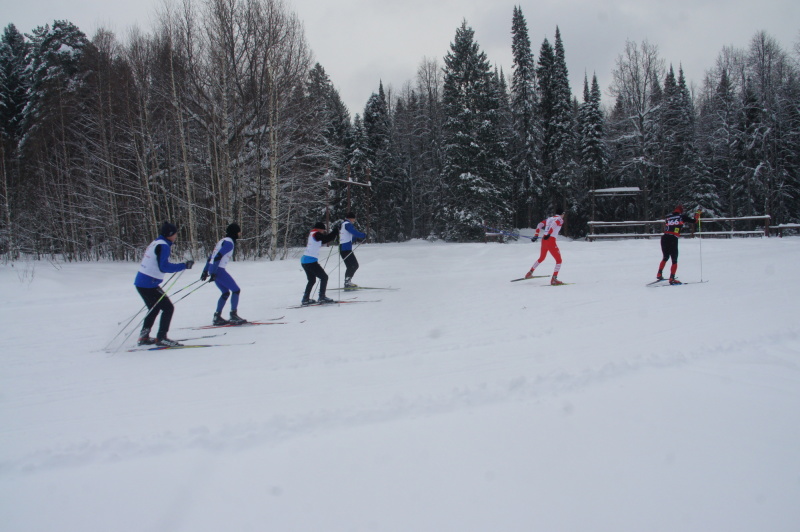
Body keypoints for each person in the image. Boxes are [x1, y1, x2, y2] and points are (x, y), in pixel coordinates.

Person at [133, 222, 194, 346]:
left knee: (153, 308)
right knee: (168, 308)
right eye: (175, 233)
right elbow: (164, 267)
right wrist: (183, 266)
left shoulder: (156, 242)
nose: (176, 236)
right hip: (149, 283)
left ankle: (144, 337)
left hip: (142, 282)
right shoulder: (164, 245)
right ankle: (162, 338)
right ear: (170, 234)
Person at [201, 223, 247, 325]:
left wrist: (205, 271)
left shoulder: (222, 241)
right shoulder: (229, 243)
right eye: (239, 232)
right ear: (235, 232)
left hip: (214, 269)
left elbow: (211, 257)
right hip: (219, 270)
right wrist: (213, 272)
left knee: (225, 292)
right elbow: (217, 257)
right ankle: (233, 315)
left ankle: (217, 317)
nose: (239, 234)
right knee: (236, 290)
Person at [657, 205, 699, 285]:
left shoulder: (668, 217)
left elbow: (669, 225)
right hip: (673, 238)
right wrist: (697, 216)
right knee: (674, 259)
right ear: (681, 211)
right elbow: (694, 221)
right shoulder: (682, 217)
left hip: (664, 237)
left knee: (665, 257)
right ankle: (672, 278)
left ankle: (659, 273)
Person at [300, 222, 339, 305]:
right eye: (323, 230)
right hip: (310, 261)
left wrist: (333, 234)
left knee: (311, 280)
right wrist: (335, 232)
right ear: (319, 229)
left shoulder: (312, 233)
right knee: (324, 277)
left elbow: (325, 238)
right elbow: (325, 239)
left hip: (305, 260)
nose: (323, 231)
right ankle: (322, 297)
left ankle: (305, 299)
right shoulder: (316, 234)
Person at [524, 210, 566, 285]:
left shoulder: (549, 218)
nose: (564, 216)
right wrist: (549, 234)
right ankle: (554, 279)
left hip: (544, 240)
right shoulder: (560, 219)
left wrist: (536, 235)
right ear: (562, 214)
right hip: (551, 240)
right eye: (564, 214)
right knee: (559, 260)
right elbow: (554, 224)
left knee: (542, 258)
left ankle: (529, 273)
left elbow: (540, 224)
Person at [338, 212, 367, 289]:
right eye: (354, 218)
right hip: (346, 249)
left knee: (350, 266)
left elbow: (350, 237)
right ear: (350, 218)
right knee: (354, 265)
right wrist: (363, 235)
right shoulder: (347, 224)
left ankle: (347, 282)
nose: (354, 220)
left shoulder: (343, 224)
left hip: (343, 248)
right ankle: (347, 282)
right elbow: (354, 232)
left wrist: (357, 238)